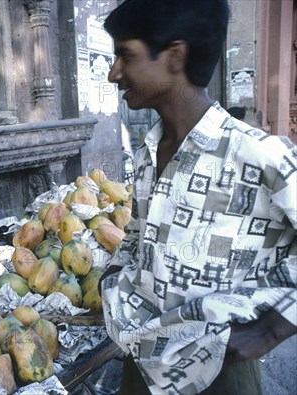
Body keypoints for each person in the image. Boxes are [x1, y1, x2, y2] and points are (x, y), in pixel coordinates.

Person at [98, 1, 297, 394]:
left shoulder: (258, 155)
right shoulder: (148, 151)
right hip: (145, 360)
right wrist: (113, 283)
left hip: (219, 370)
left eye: (125, 55)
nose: (113, 73)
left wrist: (272, 329)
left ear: (174, 56)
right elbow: (138, 237)